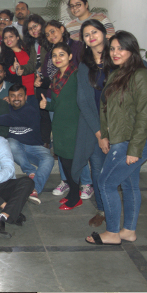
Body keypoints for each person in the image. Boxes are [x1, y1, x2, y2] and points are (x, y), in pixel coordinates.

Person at [85, 31, 147, 245]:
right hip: (120, 139)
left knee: (106, 183)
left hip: (133, 141)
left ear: (132, 50)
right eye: (113, 49)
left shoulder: (142, 76)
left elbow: (144, 115)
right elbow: (105, 108)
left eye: (121, 48)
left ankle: (112, 233)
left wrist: (134, 149)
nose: (115, 53)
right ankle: (129, 231)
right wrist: (105, 135)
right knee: (129, 185)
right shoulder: (117, 73)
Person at [36, 19, 92, 193]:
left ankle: (86, 183)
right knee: (61, 148)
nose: (51, 36)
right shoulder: (53, 68)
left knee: (76, 150)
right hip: (57, 107)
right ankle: (66, 180)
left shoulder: (77, 55)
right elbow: (48, 79)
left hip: (74, 114)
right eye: (47, 34)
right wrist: (45, 101)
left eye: (53, 31)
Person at [0, 84, 54, 205]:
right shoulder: (6, 108)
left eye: (20, 95)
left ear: (26, 97)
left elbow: (13, 119)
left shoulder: (31, 110)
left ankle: (34, 188)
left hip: (33, 147)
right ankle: (30, 171)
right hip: (15, 148)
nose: (16, 98)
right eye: (13, 96)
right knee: (10, 143)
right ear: (8, 97)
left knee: (49, 159)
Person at [72, 20, 110, 227]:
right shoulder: (84, 66)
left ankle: (118, 208)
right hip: (93, 124)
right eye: (86, 35)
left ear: (104, 33)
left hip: (118, 124)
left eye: (94, 32)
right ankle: (102, 209)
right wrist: (99, 133)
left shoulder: (117, 59)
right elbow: (83, 101)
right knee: (97, 168)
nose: (91, 37)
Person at [39, 42, 81, 210]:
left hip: (73, 126)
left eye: (61, 54)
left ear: (70, 56)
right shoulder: (56, 77)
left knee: (71, 164)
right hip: (59, 126)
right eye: (54, 56)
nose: (57, 58)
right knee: (63, 161)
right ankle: (71, 193)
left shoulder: (77, 76)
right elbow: (56, 105)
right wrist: (46, 105)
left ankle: (76, 196)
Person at [22, 14, 51, 147]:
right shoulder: (34, 44)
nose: (33, 30)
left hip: (51, 84)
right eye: (30, 28)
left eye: (35, 26)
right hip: (39, 85)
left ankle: (54, 145)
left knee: (52, 115)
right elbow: (32, 65)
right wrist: (21, 69)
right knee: (43, 116)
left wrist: (42, 71)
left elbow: (53, 63)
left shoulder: (49, 41)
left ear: (42, 24)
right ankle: (46, 143)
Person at [0, 26, 38, 109]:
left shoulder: (29, 49)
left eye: (11, 36)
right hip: (20, 95)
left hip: (36, 91)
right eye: (5, 38)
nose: (8, 40)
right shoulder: (5, 56)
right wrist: (13, 69)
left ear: (17, 37)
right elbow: (6, 76)